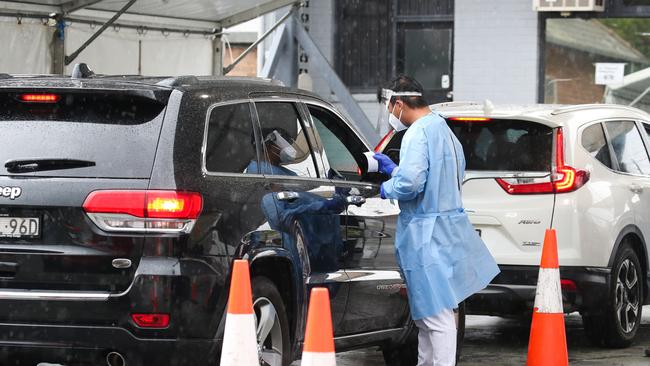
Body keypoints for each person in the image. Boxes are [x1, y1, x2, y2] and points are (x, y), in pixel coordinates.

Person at [373, 75, 500, 366]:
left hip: (425, 236)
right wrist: (396, 170)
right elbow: (439, 177)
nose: (391, 115)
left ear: (400, 103)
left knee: (437, 317)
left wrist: (387, 186)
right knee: (431, 315)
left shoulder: (417, 133)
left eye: (390, 107)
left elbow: (412, 184)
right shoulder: (443, 129)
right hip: (445, 232)